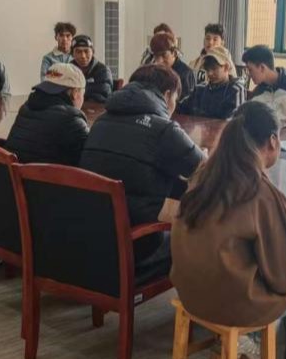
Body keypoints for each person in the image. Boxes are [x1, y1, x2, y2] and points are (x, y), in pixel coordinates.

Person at [171, 101, 286, 359]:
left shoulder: (203, 176)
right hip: (233, 303)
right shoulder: (261, 193)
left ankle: (251, 340)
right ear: (273, 141)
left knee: (252, 268)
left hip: (190, 293)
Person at [80, 64, 205, 278]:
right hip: (137, 248)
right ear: (167, 95)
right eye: (176, 98)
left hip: (91, 241)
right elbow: (206, 169)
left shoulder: (100, 121)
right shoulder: (163, 129)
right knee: (203, 224)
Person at [6, 63, 90, 166]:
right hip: (47, 176)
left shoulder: (25, 108)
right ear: (75, 93)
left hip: (15, 175)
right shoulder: (72, 119)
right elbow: (91, 158)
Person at [242, 45, 286, 132]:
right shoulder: (258, 92)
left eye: (250, 70)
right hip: (261, 139)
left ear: (262, 68)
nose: (249, 75)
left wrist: (283, 135)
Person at [177, 48, 245, 119]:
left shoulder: (236, 89)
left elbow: (234, 121)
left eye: (214, 68)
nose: (209, 73)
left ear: (226, 67)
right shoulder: (200, 89)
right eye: (207, 68)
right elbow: (180, 108)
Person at [149, 33, 196, 101]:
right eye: (156, 56)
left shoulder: (185, 73)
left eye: (163, 55)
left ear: (174, 53)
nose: (159, 61)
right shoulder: (153, 72)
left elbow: (188, 103)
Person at [70, 34, 113, 104]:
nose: (83, 56)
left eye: (86, 51)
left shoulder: (103, 70)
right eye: (78, 52)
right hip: (71, 107)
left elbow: (104, 93)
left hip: (96, 107)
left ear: (92, 52)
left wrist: (75, 91)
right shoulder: (68, 69)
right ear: (72, 54)